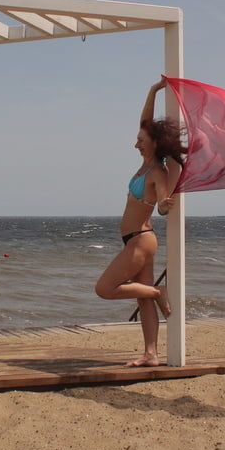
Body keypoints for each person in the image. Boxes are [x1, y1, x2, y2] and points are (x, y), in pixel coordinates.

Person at [95, 78, 186, 367]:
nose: (136, 143)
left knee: (104, 288)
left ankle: (159, 291)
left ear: (154, 144)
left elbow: (160, 204)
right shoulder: (145, 164)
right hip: (136, 240)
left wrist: (163, 205)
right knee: (142, 300)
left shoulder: (157, 172)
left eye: (141, 141)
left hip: (141, 240)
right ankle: (151, 354)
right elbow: (145, 120)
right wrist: (153, 91)